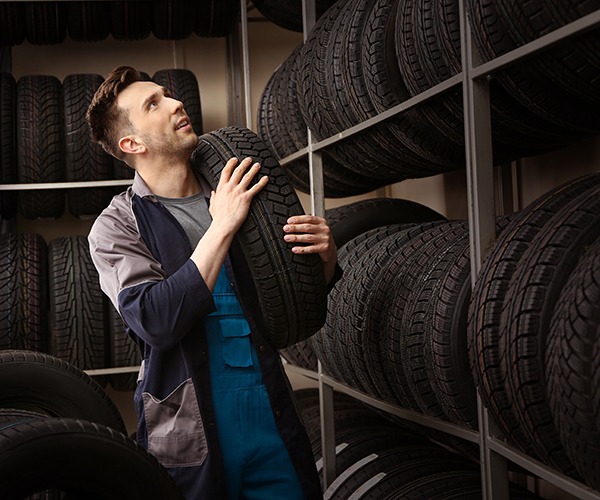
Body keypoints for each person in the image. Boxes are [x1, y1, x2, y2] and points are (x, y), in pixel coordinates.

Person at [86, 66, 340, 500]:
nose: (175, 102)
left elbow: (292, 294)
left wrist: (325, 257)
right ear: (132, 143)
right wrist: (221, 225)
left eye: (167, 94)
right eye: (154, 104)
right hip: (189, 434)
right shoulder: (117, 226)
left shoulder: (235, 187)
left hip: (267, 413)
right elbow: (157, 320)